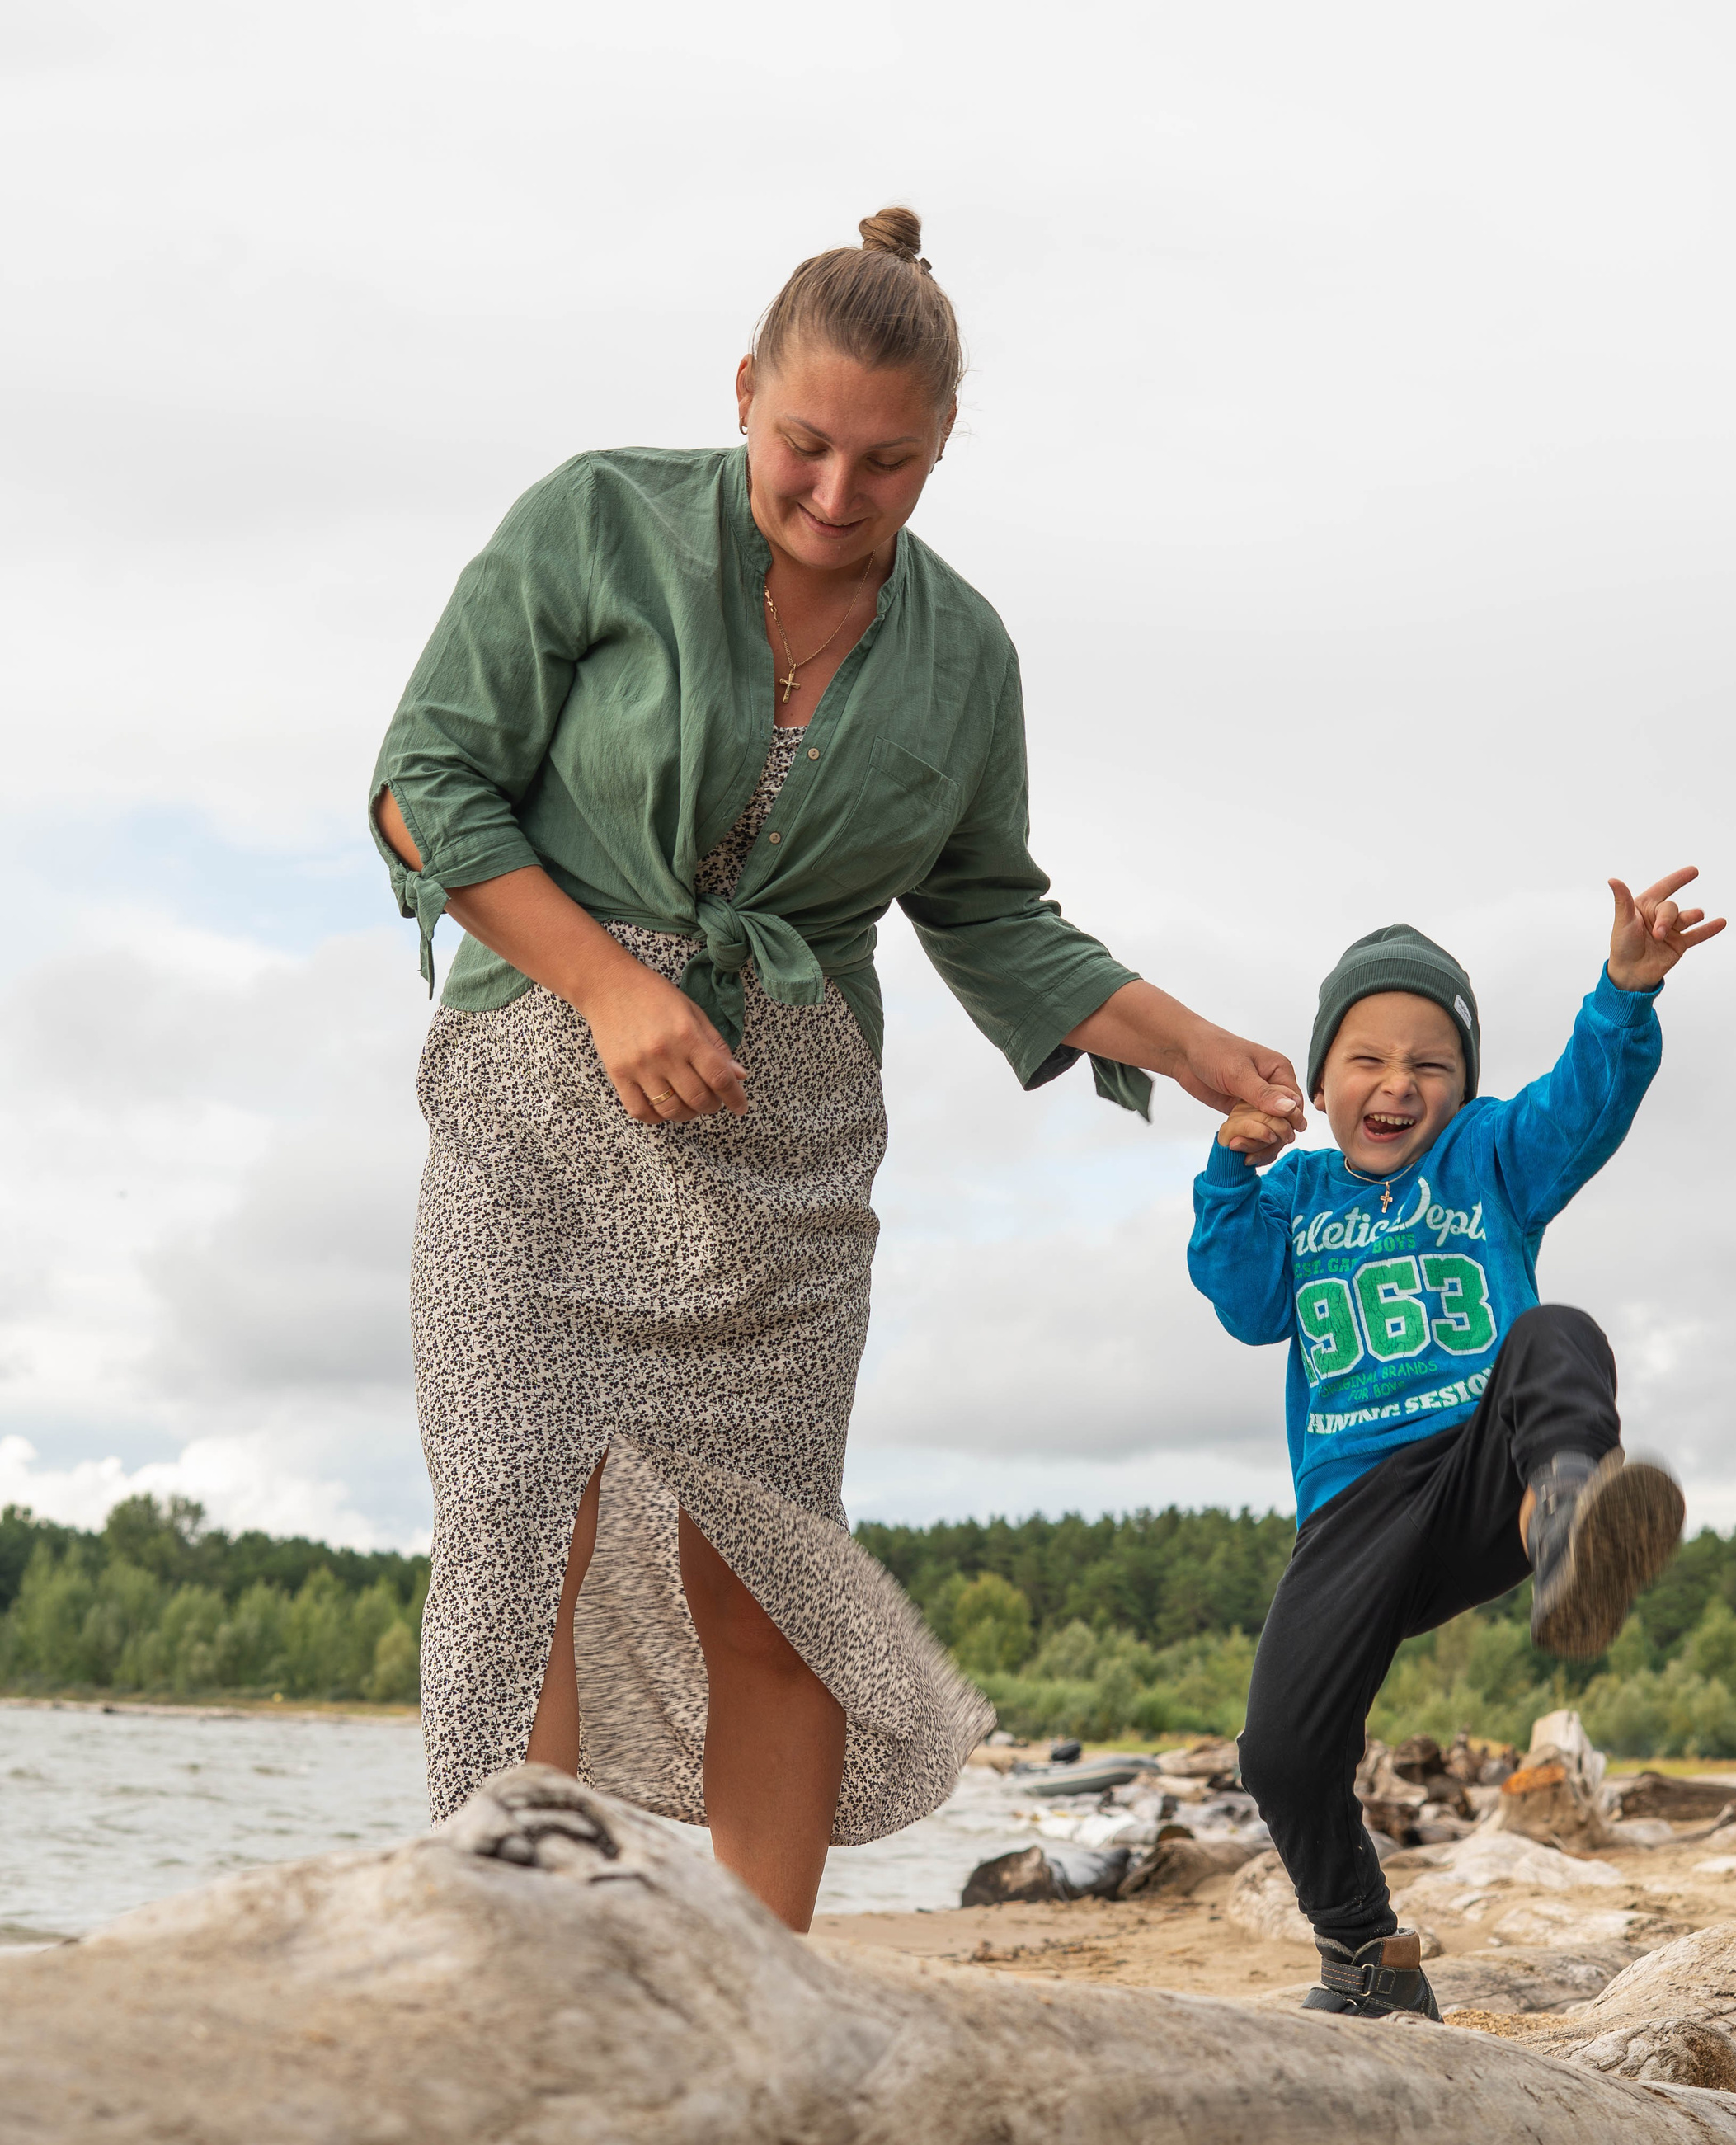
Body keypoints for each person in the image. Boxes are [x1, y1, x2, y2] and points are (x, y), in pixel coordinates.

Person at [369, 206, 1306, 1932]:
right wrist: (602, 985)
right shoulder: (594, 519)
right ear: (743, 391)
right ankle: (517, 1961)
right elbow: (427, 783)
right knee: (514, 1536)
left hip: (777, 1149)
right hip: (532, 1106)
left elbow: (995, 917)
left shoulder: (966, 658)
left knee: (766, 1587)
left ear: (941, 449)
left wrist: (1195, 1050)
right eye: (803, 442)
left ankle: (760, 2006)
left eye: (886, 461)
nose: (833, 490)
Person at [1187, 869, 1724, 2016]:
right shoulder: (1295, 1194)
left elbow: (1580, 1105)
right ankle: (1369, 1957)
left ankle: (1567, 1515)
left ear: (1462, 1085)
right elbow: (1242, 1305)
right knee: (1281, 1754)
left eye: (1430, 1064)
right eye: (1368, 1060)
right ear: (1320, 1081)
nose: (1398, 1083)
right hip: (1351, 1508)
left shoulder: (1490, 1155)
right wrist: (1233, 1171)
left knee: (1553, 1332)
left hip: (1486, 1469)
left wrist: (1622, 996)